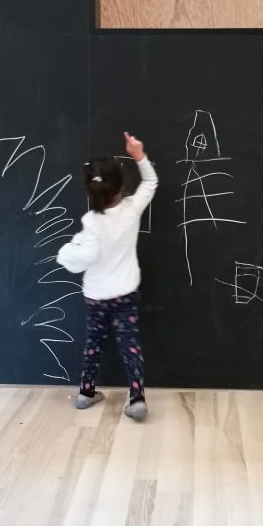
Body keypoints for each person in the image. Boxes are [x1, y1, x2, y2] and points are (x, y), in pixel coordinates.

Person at [56, 132, 158, 420]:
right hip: (126, 294)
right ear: (122, 188)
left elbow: (80, 258)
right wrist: (139, 154)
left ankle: (86, 393)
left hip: (96, 298)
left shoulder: (90, 225)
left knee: (94, 343)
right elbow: (150, 183)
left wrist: (67, 250)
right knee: (130, 344)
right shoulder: (131, 211)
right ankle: (136, 398)